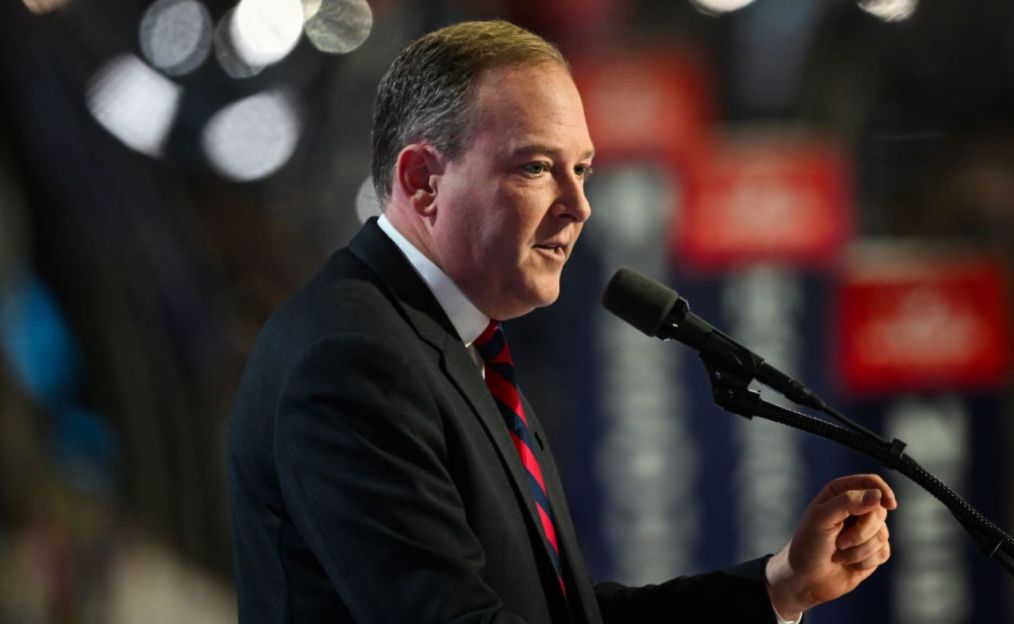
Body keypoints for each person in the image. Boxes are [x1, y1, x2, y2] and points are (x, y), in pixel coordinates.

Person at [228, 20, 896, 624]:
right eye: (538, 167)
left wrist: (779, 586)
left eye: (583, 170)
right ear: (424, 181)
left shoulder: (451, 347)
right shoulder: (354, 358)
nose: (579, 206)